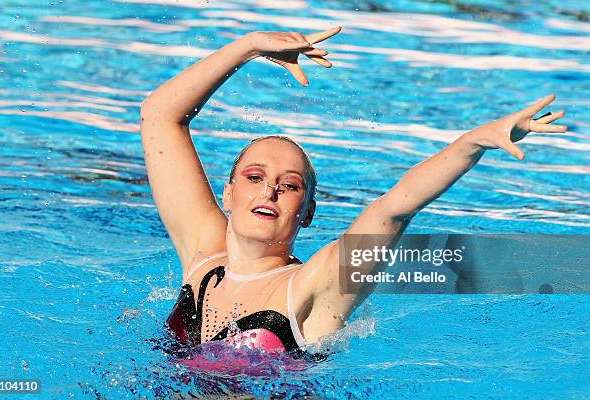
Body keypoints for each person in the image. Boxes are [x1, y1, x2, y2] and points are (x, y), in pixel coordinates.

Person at [140, 27, 566, 353]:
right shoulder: (203, 255)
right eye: (254, 177)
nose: (269, 190)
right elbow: (160, 116)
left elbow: (394, 209)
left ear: (306, 212)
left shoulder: (316, 284)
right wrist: (249, 47)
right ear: (228, 193)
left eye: (289, 186)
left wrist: (473, 142)